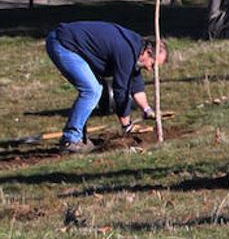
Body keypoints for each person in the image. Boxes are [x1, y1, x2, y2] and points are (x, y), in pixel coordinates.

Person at [44, 21, 169, 153]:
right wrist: (126, 124)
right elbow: (120, 90)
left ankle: (79, 138)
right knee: (92, 91)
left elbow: (135, 82)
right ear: (148, 52)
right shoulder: (126, 51)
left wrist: (147, 109)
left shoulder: (136, 49)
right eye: (153, 65)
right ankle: (70, 140)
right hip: (64, 43)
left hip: (71, 43)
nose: (151, 70)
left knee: (94, 89)